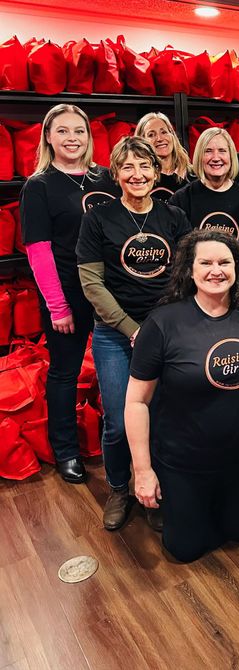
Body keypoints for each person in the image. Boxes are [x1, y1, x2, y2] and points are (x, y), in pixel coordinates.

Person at [125, 229, 239, 563]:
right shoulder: (162, 322)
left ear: (237, 268)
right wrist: (143, 471)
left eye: (225, 262)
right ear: (189, 270)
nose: (216, 271)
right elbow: (136, 402)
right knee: (185, 549)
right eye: (205, 263)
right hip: (184, 460)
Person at [77, 136, 192, 531]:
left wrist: (161, 327)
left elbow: (186, 275)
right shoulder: (98, 219)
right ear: (116, 174)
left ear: (156, 172)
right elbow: (92, 284)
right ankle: (119, 488)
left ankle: (155, 489)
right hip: (114, 334)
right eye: (128, 167)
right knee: (116, 418)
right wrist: (132, 329)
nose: (137, 174)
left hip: (164, 331)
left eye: (144, 166)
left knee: (160, 414)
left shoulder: (174, 217)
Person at [20, 103, 119, 484]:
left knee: (118, 369)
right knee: (65, 372)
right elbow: (39, 251)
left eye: (79, 130)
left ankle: (118, 443)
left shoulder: (105, 177)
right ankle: (66, 451)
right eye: (62, 131)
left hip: (111, 293)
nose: (72, 138)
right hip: (68, 293)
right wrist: (57, 306)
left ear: (89, 137)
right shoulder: (39, 186)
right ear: (48, 137)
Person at [169, 127, 239, 242]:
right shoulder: (181, 200)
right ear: (199, 156)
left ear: (231, 156)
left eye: (222, 151)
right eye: (208, 151)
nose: (216, 158)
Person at [135, 112, 193, 201]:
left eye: (164, 132)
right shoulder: (139, 180)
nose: (160, 139)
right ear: (141, 142)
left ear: (172, 135)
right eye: (151, 135)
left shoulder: (194, 175)